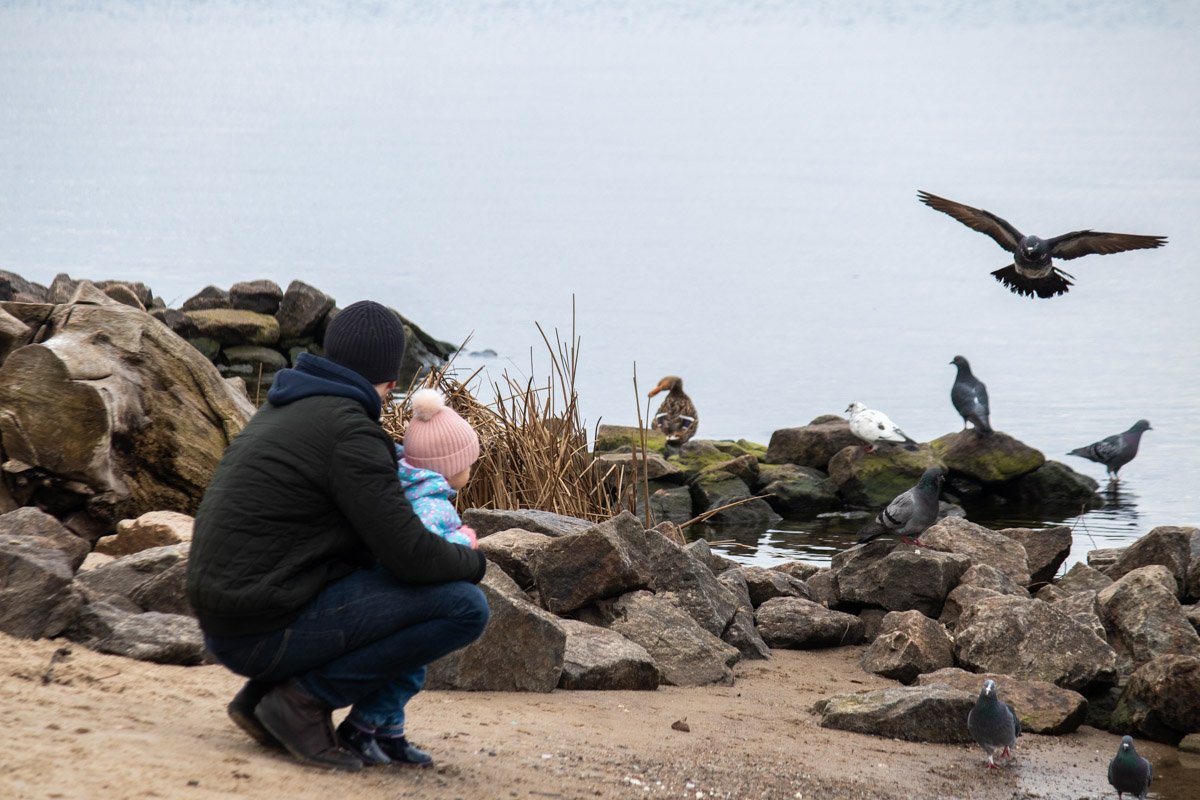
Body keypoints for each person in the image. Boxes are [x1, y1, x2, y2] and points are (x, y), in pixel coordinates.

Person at [185, 301, 489, 772]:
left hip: (228, 622)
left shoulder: (288, 408)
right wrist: (474, 563)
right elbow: (410, 555)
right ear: (389, 381)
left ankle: (264, 698)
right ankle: (302, 703)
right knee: (464, 606)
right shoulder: (350, 432)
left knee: (369, 563)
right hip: (260, 633)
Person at [336, 388, 481, 766]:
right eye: (468, 462)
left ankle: (390, 733)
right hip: (413, 599)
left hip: (401, 597)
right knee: (406, 674)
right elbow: (429, 551)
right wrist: (462, 541)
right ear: (448, 466)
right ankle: (361, 727)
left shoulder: (415, 490)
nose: (471, 469)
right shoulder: (431, 505)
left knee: (405, 669)